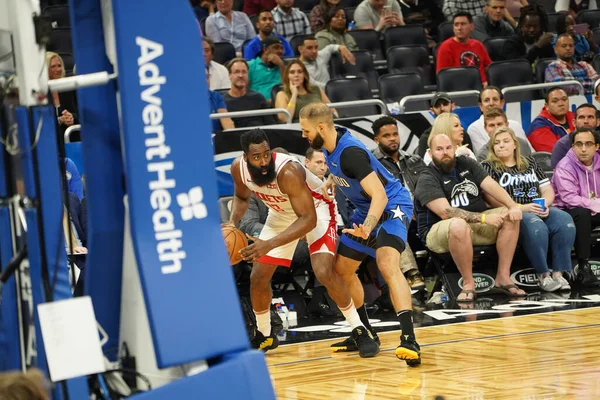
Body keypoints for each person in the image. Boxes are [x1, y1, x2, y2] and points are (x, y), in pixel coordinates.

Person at [228, 129, 379, 356]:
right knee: (258, 276)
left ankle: (360, 330)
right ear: (246, 157)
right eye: (256, 157)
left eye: (266, 154)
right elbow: (241, 198)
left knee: (323, 270)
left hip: (316, 210)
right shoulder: (238, 169)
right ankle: (265, 334)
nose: (263, 161)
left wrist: (268, 244)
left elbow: (308, 220)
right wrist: (231, 224)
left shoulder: (288, 170)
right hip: (280, 214)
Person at [299, 103, 421, 366]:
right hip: (367, 209)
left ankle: (409, 340)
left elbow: (380, 195)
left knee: (387, 263)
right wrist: (332, 179)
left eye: (305, 130)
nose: (303, 135)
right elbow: (343, 168)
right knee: (341, 269)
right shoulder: (330, 141)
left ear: (320, 128)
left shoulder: (350, 153)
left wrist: (368, 225)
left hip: (391, 206)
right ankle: (365, 333)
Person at [414, 133, 525, 301]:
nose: (445, 152)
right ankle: (468, 283)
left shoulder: (466, 163)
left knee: (509, 215)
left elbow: (491, 185)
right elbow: (446, 212)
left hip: (473, 225)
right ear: (430, 153)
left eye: (448, 148)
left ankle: (503, 276)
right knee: (458, 224)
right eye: (439, 149)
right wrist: (483, 219)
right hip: (437, 232)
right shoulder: (426, 177)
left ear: (455, 148)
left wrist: (511, 206)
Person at [482, 126, 575, 291]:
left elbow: (547, 189)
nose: (501, 145)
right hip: (514, 211)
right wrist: (524, 208)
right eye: (496, 143)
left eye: (505, 141)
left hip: (537, 206)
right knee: (535, 225)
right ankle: (544, 275)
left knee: (564, 220)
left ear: (515, 144)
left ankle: (559, 274)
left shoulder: (529, 162)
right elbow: (491, 200)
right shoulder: (488, 167)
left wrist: (544, 204)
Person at [371, 115, 427, 290]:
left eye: (395, 134)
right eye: (386, 135)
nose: (393, 138)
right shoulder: (372, 164)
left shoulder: (414, 160)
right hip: (393, 213)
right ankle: (412, 273)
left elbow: (429, 189)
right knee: (395, 221)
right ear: (376, 139)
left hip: (422, 212)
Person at [552, 128, 600, 286]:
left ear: (597, 146)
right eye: (579, 144)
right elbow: (569, 198)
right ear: (572, 146)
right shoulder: (564, 166)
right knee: (582, 214)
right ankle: (584, 268)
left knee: (586, 212)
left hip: (593, 208)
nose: (584, 149)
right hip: (566, 212)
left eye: (588, 144)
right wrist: (595, 204)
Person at [436, 11, 493, 87]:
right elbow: (443, 76)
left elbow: (490, 68)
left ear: (471, 27)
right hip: (461, 89)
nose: (459, 28)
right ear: (453, 28)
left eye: (463, 24)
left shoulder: (478, 44)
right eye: (456, 25)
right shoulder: (445, 47)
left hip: (483, 89)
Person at [467, 86, 530, 154]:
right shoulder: (474, 128)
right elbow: (484, 156)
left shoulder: (515, 125)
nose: (491, 103)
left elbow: (527, 151)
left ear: (502, 103)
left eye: (495, 99)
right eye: (486, 100)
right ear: (481, 106)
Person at [223, 58, 277, 128]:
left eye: (244, 72)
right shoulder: (222, 102)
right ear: (229, 75)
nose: (241, 75)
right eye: (236, 72)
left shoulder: (258, 97)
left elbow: (271, 125)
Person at [526, 87, 576, 152]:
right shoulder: (538, 127)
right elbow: (556, 153)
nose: (561, 104)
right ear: (546, 106)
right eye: (555, 101)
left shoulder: (574, 117)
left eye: (564, 99)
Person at [551, 103, 599, 168]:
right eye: (581, 117)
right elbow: (558, 174)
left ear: (598, 122)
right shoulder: (562, 146)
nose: (586, 121)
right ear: (574, 123)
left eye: (590, 117)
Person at [47, 52, 78, 136]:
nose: (58, 69)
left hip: (69, 136)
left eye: (59, 66)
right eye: (53, 66)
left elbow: (79, 114)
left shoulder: (68, 89)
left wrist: (71, 117)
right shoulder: (43, 93)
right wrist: (60, 120)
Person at [416, 92, 456, 158]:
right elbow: (422, 165)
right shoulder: (426, 138)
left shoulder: (461, 133)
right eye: (437, 106)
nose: (442, 108)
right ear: (432, 110)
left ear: (452, 106)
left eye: (445, 104)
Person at [248, 36, 286, 103]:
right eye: (276, 47)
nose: (280, 51)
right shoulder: (250, 65)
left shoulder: (283, 67)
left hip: (280, 105)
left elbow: (286, 88)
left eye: (281, 48)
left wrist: (281, 66)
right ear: (265, 50)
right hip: (257, 105)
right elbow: (244, 90)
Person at [206, 66, 235, 132]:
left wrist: (232, 135)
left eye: (207, 77)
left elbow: (225, 119)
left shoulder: (216, 96)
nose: (205, 81)